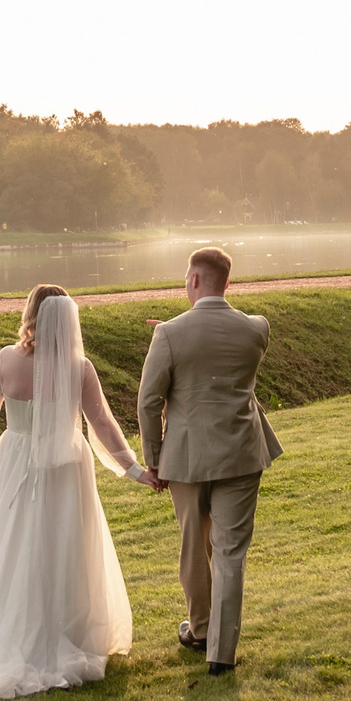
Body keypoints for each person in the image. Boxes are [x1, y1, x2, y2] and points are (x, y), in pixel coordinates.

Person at [0, 285, 157, 699]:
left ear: (31, 315)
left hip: (15, 458)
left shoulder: (7, 359)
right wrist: (133, 469)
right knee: (63, 544)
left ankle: (5, 630)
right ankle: (63, 630)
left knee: (7, 541)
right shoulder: (80, 368)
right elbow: (101, 423)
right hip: (65, 465)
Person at [137, 246, 278, 676]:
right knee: (230, 553)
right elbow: (218, 356)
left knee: (195, 549)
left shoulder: (170, 334)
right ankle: (221, 653)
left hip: (187, 455)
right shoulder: (256, 329)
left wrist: (154, 459)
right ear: (228, 283)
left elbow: (148, 402)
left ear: (195, 279)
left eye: (186, 278)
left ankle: (199, 630)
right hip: (241, 451)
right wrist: (176, 336)